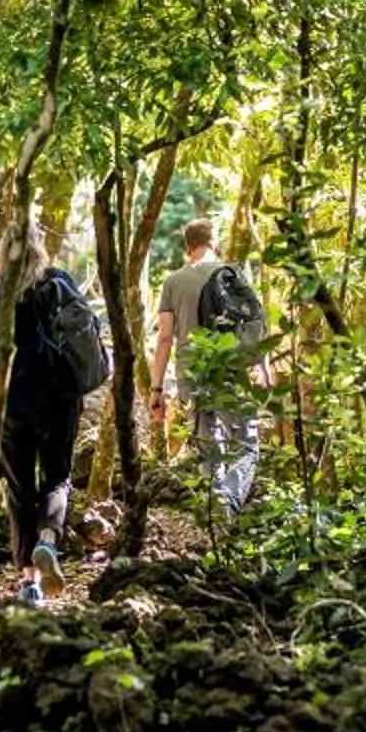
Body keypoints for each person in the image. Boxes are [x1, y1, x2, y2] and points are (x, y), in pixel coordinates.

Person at [0, 225, 99, 609]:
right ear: (40, 249)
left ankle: (29, 584)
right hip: (59, 397)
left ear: (2, 251)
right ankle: (48, 541)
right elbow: (88, 330)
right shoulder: (58, 282)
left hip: (9, 404)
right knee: (57, 477)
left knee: (20, 491)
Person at [149, 217, 270, 515]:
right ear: (215, 242)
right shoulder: (234, 274)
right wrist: (264, 368)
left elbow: (164, 338)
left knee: (206, 443)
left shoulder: (173, 281)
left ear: (187, 247)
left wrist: (157, 388)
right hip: (229, 366)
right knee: (245, 443)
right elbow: (254, 323)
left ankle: (217, 509)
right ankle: (227, 502)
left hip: (190, 370)